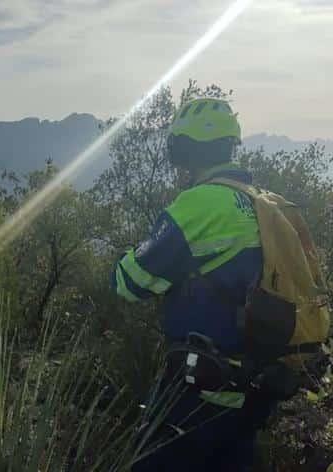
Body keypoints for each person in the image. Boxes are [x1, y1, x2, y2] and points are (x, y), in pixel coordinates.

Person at [113, 98, 275, 471]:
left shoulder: (199, 204)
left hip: (196, 391)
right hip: (252, 392)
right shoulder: (264, 204)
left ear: (184, 150)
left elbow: (128, 283)